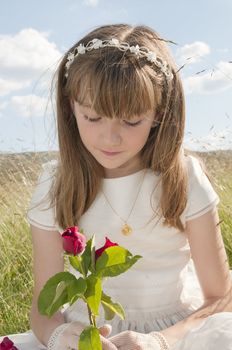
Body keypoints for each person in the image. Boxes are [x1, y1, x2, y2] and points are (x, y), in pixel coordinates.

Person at [27, 23, 232, 350]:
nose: (110, 138)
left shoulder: (183, 178)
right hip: (84, 335)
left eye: (131, 120)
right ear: (70, 107)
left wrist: (159, 341)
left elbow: (221, 297)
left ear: (158, 113)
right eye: (92, 117)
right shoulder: (56, 184)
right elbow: (43, 304)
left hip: (176, 333)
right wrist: (57, 335)